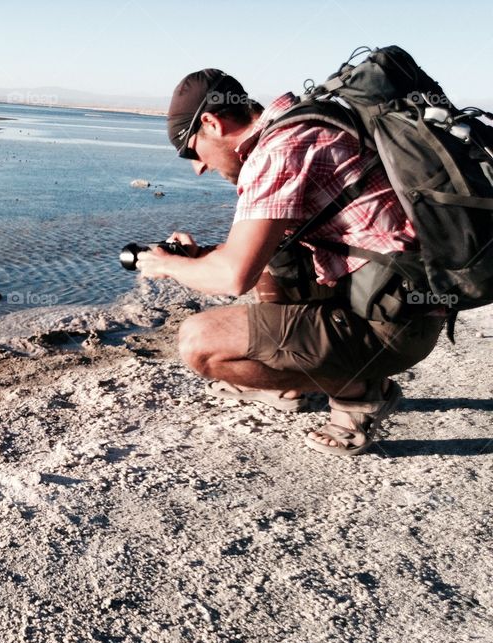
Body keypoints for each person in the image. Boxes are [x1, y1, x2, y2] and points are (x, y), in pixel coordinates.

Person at [136, 69, 447, 456]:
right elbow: (253, 253)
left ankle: (360, 392)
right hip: (401, 302)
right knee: (275, 254)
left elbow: (234, 277)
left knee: (199, 342)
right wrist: (201, 257)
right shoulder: (302, 124)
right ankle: (288, 384)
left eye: (190, 150)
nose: (197, 167)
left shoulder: (278, 151)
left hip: (393, 328)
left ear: (212, 123)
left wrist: (167, 266)